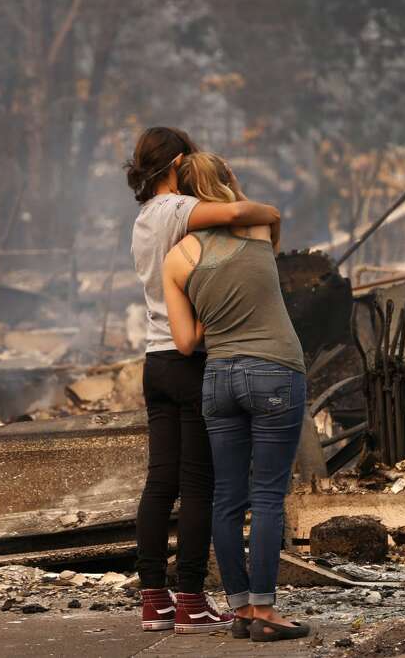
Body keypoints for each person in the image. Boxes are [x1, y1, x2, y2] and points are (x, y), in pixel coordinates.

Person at [124, 127, 281, 634]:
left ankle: (154, 599)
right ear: (177, 162)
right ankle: (190, 597)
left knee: (159, 483)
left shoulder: (142, 219)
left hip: (155, 361)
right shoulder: (174, 209)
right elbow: (236, 214)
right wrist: (266, 210)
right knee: (199, 487)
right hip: (190, 357)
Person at [162, 152, 311, 643]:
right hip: (274, 371)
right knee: (268, 494)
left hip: (219, 379)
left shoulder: (176, 257)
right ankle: (267, 612)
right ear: (227, 181)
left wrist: (216, 311)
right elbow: (265, 211)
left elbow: (185, 342)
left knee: (227, 496)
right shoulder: (259, 230)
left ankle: (241, 610)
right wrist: (231, 182)